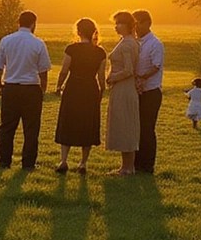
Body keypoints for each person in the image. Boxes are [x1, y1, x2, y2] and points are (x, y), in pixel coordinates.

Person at [0, 10, 52, 170]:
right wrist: (43, 90)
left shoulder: (6, 41)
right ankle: (28, 163)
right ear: (34, 24)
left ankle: (4, 160)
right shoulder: (38, 43)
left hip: (10, 88)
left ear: (18, 22)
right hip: (31, 89)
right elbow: (43, 71)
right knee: (31, 128)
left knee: (7, 127)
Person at [54, 17, 106, 174]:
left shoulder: (71, 49)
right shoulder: (100, 52)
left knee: (68, 120)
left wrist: (58, 86)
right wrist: (101, 90)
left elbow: (64, 70)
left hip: (73, 87)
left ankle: (63, 160)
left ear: (78, 31)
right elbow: (101, 76)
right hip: (90, 88)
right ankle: (83, 163)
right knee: (87, 123)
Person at [105, 10, 140, 175]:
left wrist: (112, 78)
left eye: (120, 23)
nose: (116, 26)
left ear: (128, 25)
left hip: (124, 87)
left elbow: (128, 70)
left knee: (126, 125)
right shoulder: (127, 41)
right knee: (123, 123)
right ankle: (125, 166)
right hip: (122, 87)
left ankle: (128, 167)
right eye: (116, 23)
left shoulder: (127, 44)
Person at [133, 9, 164, 174]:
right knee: (136, 127)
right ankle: (136, 162)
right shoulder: (135, 42)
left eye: (137, 23)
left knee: (147, 128)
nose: (135, 27)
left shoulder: (155, 44)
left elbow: (155, 66)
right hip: (136, 91)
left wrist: (140, 77)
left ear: (147, 23)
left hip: (150, 91)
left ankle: (147, 165)